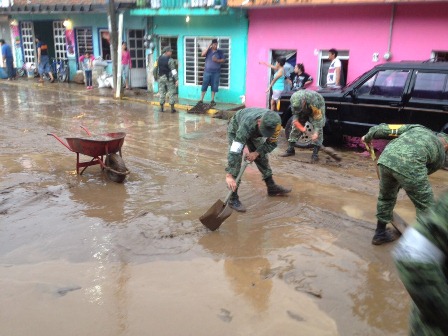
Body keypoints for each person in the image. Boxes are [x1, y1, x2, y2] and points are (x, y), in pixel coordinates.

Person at [362, 124, 448, 245]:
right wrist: (404, 182)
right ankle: (423, 246)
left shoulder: (417, 128)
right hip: (410, 166)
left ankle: (379, 234)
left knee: (386, 198)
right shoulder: (441, 155)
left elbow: (385, 129)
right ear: (446, 146)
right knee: (426, 207)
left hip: (386, 159)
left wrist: (368, 136)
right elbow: (422, 174)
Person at [393, 190, 448, 335]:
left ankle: (379, 231)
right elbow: (414, 254)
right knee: (426, 199)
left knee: (386, 195)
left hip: (387, 166)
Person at [225, 108, 292, 212]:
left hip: (254, 131)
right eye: (264, 131)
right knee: (236, 161)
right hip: (237, 127)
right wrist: (229, 175)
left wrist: (256, 153)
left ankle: (271, 187)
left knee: (262, 157)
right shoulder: (247, 124)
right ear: (259, 122)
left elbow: (272, 143)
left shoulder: (276, 125)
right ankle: (233, 198)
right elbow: (235, 151)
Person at [280, 90, 326, 163]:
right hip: (303, 105)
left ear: (303, 102)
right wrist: (300, 126)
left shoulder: (314, 101)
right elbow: (295, 117)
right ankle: (290, 149)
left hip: (317, 104)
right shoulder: (293, 100)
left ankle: (315, 154)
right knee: (295, 128)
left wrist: (316, 132)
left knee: (319, 129)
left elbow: (318, 119)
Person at [199, 38, 224, 107]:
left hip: (216, 72)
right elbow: (202, 54)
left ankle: (212, 100)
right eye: (214, 44)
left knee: (214, 86)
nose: (215, 45)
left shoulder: (220, 52)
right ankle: (201, 100)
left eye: (216, 44)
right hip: (207, 72)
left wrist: (217, 60)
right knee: (204, 85)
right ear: (211, 45)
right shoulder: (208, 51)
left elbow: (223, 60)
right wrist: (208, 47)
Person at [157, 46, 178, 113]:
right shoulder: (170, 60)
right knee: (172, 92)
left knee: (162, 92)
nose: (171, 52)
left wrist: (156, 76)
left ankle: (161, 108)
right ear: (166, 52)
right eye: (170, 51)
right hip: (169, 78)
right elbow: (173, 70)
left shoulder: (158, 58)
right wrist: (177, 79)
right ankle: (172, 109)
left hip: (161, 78)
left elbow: (156, 68)